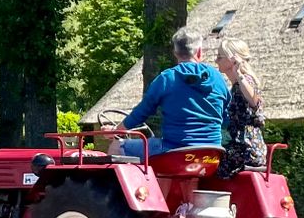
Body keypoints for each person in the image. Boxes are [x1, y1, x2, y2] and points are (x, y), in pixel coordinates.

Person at [113, 28, 230, 158]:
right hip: (211, 154)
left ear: (175, 52)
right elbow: (226, 117)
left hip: (175, 152)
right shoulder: (217, 78)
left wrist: (117, 130)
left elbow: (141, 112)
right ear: (199, 52)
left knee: (117, 146)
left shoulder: (167, 78)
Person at [215, 37, 267, 178]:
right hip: (246, 149)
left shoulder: (245, 81)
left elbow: (253, 101)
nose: (216, 61)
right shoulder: (236, 86)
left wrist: (239, 75)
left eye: (220, 57)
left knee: (208, 167)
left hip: (245, 151)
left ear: (232, 60)